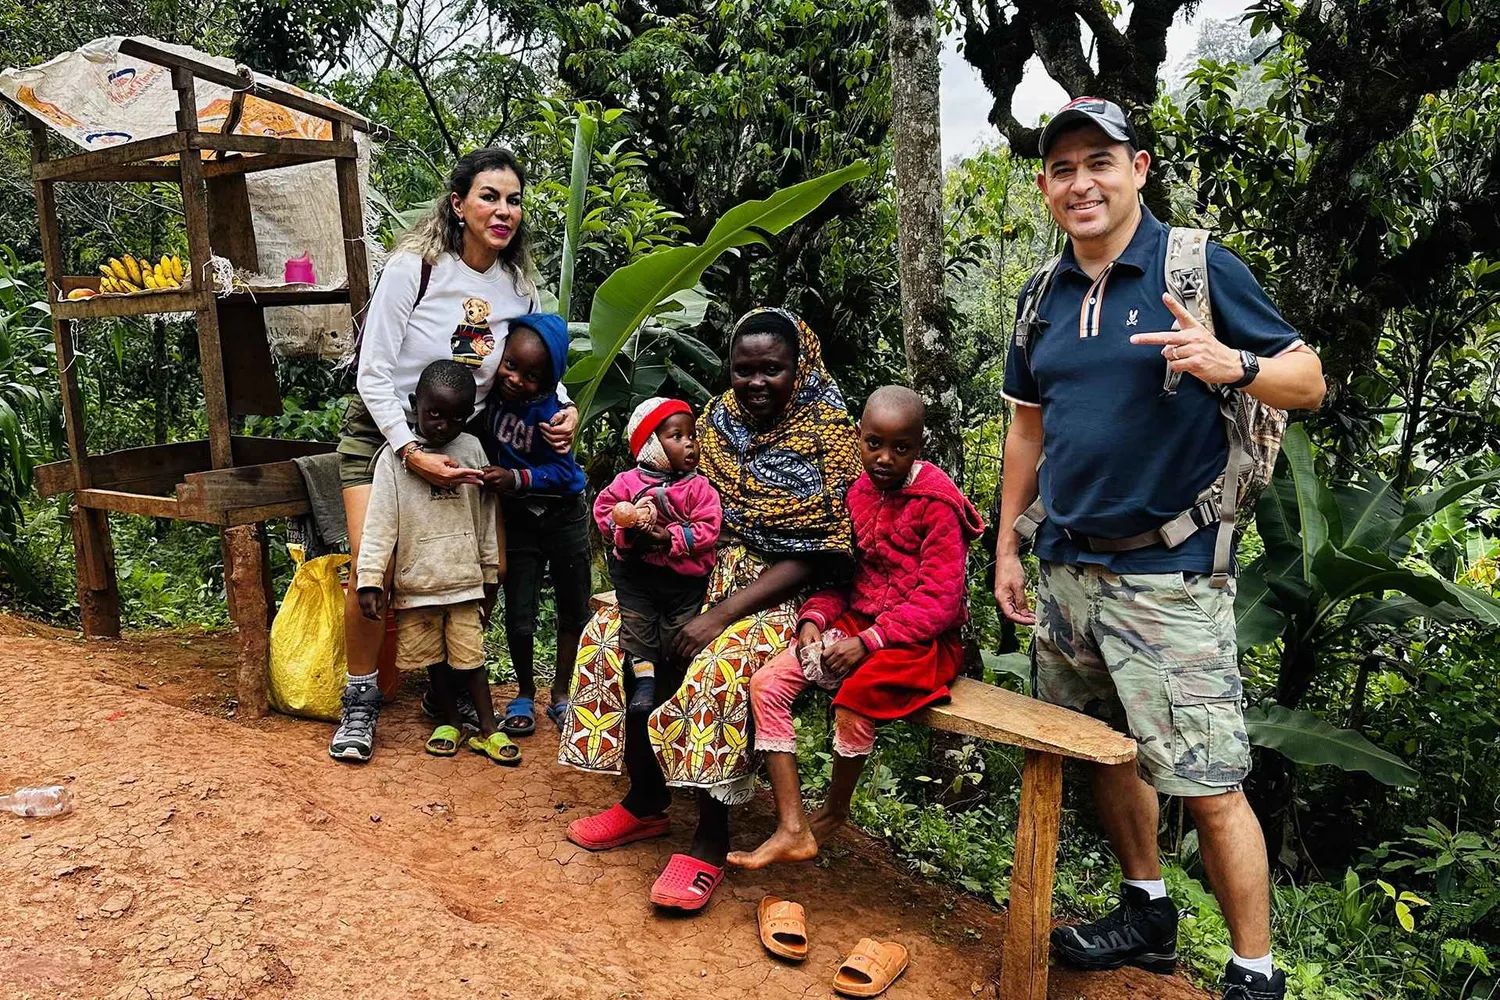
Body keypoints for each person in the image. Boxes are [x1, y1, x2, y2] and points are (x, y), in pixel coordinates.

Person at [994, 97, 1325, 1000]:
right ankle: (1146, 909)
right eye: (1063, 168)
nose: (1081, 182)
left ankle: (1254, 973)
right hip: (1065, 568)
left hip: (1169, 573)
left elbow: (1310, 377)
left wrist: (1234, 364)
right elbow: (1028, 430)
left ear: (1138, 170)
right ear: (1044, 187)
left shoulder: (1198, 266)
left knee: (1210, 782)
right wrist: (1007, 549)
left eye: (1099, 161)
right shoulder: (1040, 295)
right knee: (1103, 751)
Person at [559, 308, 860, 913]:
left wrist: (718, 616)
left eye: (770, 370)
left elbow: (820, 555)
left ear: (797, 368)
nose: (754, 383)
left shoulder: (830, 434)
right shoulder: (716, 423)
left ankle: (709, 838)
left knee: (717, 667)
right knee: (609, 635)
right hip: (697, 570)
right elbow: (683, 509)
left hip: (786, 596)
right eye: (742, 369)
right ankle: (646, 801)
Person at [330, 147, 578, 763]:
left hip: (469, 436)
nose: (503, 210)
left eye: (514, 199)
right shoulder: (414, 267)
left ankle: (451, 692)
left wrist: (565, 406)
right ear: (458, 204)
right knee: (373, 564)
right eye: (489, 196)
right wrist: (408, 449)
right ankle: (360, 702)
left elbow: (536, 358)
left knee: (478, 570)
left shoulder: (516, 285)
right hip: (385, 426)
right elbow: (373, 370)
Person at [728, 386, 984, 871]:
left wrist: (869, 642)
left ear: (919, 447)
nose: (885, 458)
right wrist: (815, 619)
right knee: (767, 685)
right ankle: (792, 826)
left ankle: (835, 809)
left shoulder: (937, 506)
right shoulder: (857, 494)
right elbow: (842, 578)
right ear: (858, 440)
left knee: (855, 703)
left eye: (900, 448)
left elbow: (940, 602)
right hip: (858, 623)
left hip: (920, 640)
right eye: (874, 444)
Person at [353, 360, 516, 764]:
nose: (443, 425)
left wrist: (489, 570)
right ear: (414, 405)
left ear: (469, 416)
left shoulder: (471, 450)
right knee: (434, 662)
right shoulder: (395, 459)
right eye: (434, 414)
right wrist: (371, 579)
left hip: (462, 581)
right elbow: (380, 523)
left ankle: (488, 727)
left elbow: (483, 516)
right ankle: (449, 722)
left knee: (471, 657)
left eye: (456, 417)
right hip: (416, 585)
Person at [479, 313, 591, 739]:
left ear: (549, 380)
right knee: (519, 609)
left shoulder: (553, 415)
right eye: (510, 365)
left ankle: (561, 693)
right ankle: (524, 692)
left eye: (531, 375)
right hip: (519, 519)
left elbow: (564, 475)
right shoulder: (490, 397)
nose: (515, 379)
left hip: (564, 514)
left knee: (573, 606)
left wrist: (516, 479)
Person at [593, 396, 722, 716]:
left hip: (683, 578)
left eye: (692, 436)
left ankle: (672, 685)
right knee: (637, 624)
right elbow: (604, 513)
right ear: (650, 444)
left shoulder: (699, 488)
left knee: (678, 631)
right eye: (676, 437)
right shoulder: (627, 483)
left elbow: (709, 528)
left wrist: (669, 538)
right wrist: (627, 529)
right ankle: (644, 683)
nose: (690, 444)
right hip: (637, 573)